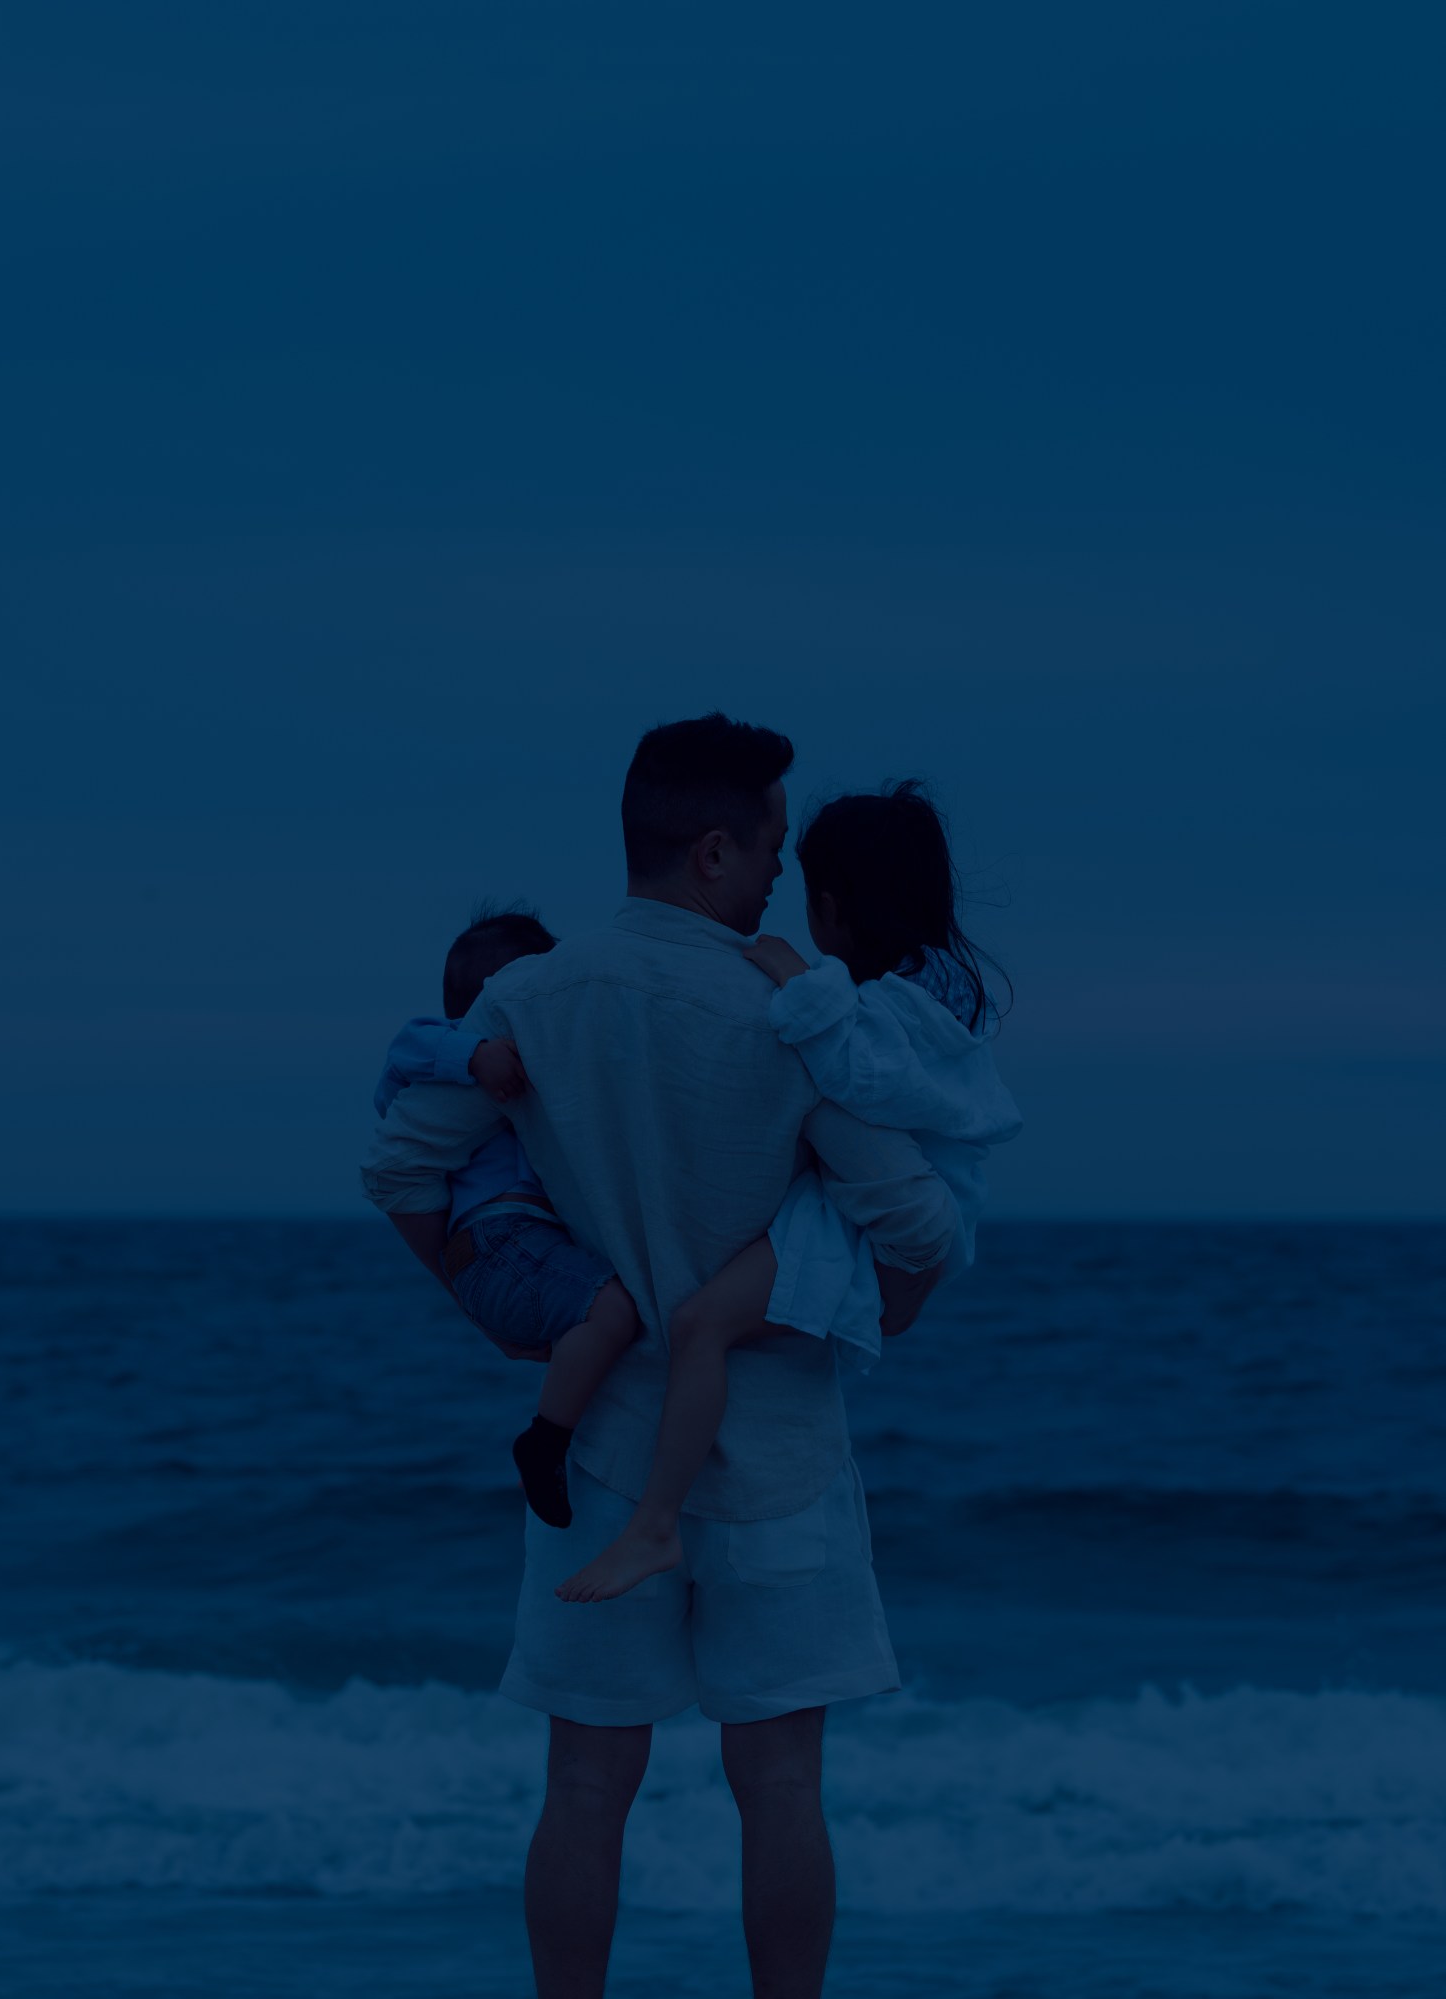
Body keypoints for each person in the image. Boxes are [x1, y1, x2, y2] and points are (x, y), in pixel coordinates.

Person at [361, 712, 956, 1999]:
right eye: (769, 850)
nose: (777, 879)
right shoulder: (792, 1010)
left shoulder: (531, 997)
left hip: (607, 1453)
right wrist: (880, 1306)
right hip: (782, 1446)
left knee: (585, 1784)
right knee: (783, 1785)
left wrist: (510, 1310)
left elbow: (402, 1166)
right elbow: (912, 1221)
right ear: (710, 852)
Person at [554, 779, 1021, 1605]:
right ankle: (663, 1521)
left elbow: (857, 1078)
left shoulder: (892, 1009)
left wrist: (797, 981)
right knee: (726, 1322)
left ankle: (654, 1527)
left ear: (836, 907)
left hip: (869, 1222)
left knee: (699, 1323)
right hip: (898, 1215)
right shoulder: (941, 992)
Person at [372, 904, 640, 1529]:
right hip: (496, 1238)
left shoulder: (547, 1071)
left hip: (507, 1250)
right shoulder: (456, 1059)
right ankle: (544, 1441)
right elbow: (400, 1061)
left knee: (605, 1322)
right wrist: (471, 1055)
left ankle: (561, 1436)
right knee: (611, 1310)